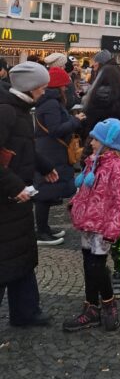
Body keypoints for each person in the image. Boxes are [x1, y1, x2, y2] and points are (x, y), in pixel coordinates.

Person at [0, 62, 59, 327]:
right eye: (43, 86)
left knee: (21, 255)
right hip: (8, 197)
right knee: (6, 258)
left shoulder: (22, 110)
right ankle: (25, 311)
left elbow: (22, 147)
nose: (45, 91)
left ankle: (25, 312)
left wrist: (44, 166)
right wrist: (15, 187)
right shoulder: (7, 112)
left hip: (17, 196)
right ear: (30, 87)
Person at [62, 119, 120, 332]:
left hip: (103, 227)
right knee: (88, 265)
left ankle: (109, 304)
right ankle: (91, 307)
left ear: (107, 142)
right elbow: (85, 191)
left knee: (97, 266)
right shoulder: (94, 162)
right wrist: (75, 206)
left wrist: (113, 229)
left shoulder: (119, 168)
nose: (91, 142)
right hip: (88, 223)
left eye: (95, 139)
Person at [33, 67, 86, 244]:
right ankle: (41, 232)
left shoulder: (50, 102)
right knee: (44, 193)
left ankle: (44, 228)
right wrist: (75, 120)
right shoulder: (51, 104)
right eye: (64, 85)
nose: (66, 88)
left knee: (48, 192)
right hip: (50, 151)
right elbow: (55, 130)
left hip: (52, 150)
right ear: (58, 86)